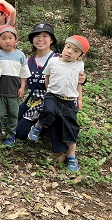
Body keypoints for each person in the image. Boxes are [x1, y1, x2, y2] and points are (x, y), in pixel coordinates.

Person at [15, 23, 86, 164]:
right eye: (37, 36)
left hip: (57, 99)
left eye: (45, 36)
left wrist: (83, 79)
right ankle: (43, 129)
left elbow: (77, 76)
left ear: (51, 40)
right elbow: (25, 82)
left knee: (53, 112)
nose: (40, 39)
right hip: (36, 102)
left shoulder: (62, 58)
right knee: (21, 133)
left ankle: (59, 144)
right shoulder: (29, 61)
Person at [0, 25, 30, 147]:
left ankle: (10, 134)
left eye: (10, 38)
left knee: (13, 114)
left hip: (13, 92)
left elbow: (23, 74)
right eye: (3, 38)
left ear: (15, 40)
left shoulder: (20, 55)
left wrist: (22, 87)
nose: (7, 41)